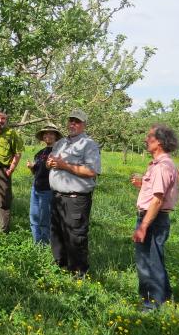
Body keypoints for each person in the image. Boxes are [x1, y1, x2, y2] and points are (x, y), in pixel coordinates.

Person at [131, 124, 179, 311]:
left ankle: (151, 304)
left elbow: (158, 201)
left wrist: (143, 226)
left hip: (153, 218)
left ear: (158, 141)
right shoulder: (162, 164)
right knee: (155, 260)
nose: (145, 139)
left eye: (149, 136)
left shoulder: (161, 166)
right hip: (155, 217)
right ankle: (165, 298)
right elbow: (158, 193)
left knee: (148, 263)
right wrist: (143, 185)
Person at [46, 109, 101, 276]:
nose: (72, 124)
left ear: (84, 124)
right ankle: (59, 266)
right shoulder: (60, 143)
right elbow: (51, 162)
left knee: (75, 236)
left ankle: (78, 272)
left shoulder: (89, 144)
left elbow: (92, 171)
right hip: (57, 197)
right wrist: (50, 163)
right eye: (71, 120)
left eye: (77, 121)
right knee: (57, 233)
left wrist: (65, 166)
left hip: (75, 199)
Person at [26, 124, 62, 244]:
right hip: (36, 188)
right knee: (33, 218)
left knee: (44, 220)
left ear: (56, 136)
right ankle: (37, 243)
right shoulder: (40, 153)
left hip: (48, 190)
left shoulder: (58, 153)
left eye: (51, 133)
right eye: (45, 133)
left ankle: (45, 245)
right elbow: (36, 173)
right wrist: (32, 167)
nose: (48, 135)